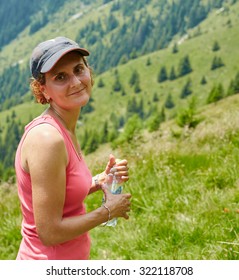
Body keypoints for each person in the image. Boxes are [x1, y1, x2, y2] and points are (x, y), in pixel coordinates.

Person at [15, 36, 131, 260]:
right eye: (60, 77)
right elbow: (49, 233)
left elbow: (57, 194)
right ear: (44, 89)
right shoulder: (47, 139)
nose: (76, 82)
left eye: (79, 69)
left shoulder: (63, 128)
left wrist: (100, 181)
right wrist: (108, 211)